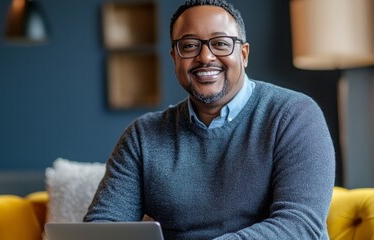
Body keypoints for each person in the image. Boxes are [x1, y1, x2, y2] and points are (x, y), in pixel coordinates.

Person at [84, 0, 335, 239]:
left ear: (244, 54)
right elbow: (104, 227)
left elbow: (300, 226)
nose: (205, 57)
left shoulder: (294, 115)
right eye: (190, 45)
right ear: (175, 58)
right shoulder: (142, 136)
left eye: (221, 43)